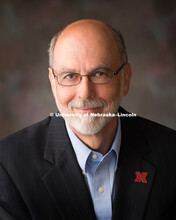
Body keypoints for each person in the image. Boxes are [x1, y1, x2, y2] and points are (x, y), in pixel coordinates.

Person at [0, 19, 175, 220]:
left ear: (125, 79)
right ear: (53, 84)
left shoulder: (171, 154)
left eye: (100, 74)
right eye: (70, 76)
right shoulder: (8, 165)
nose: (85, 93)